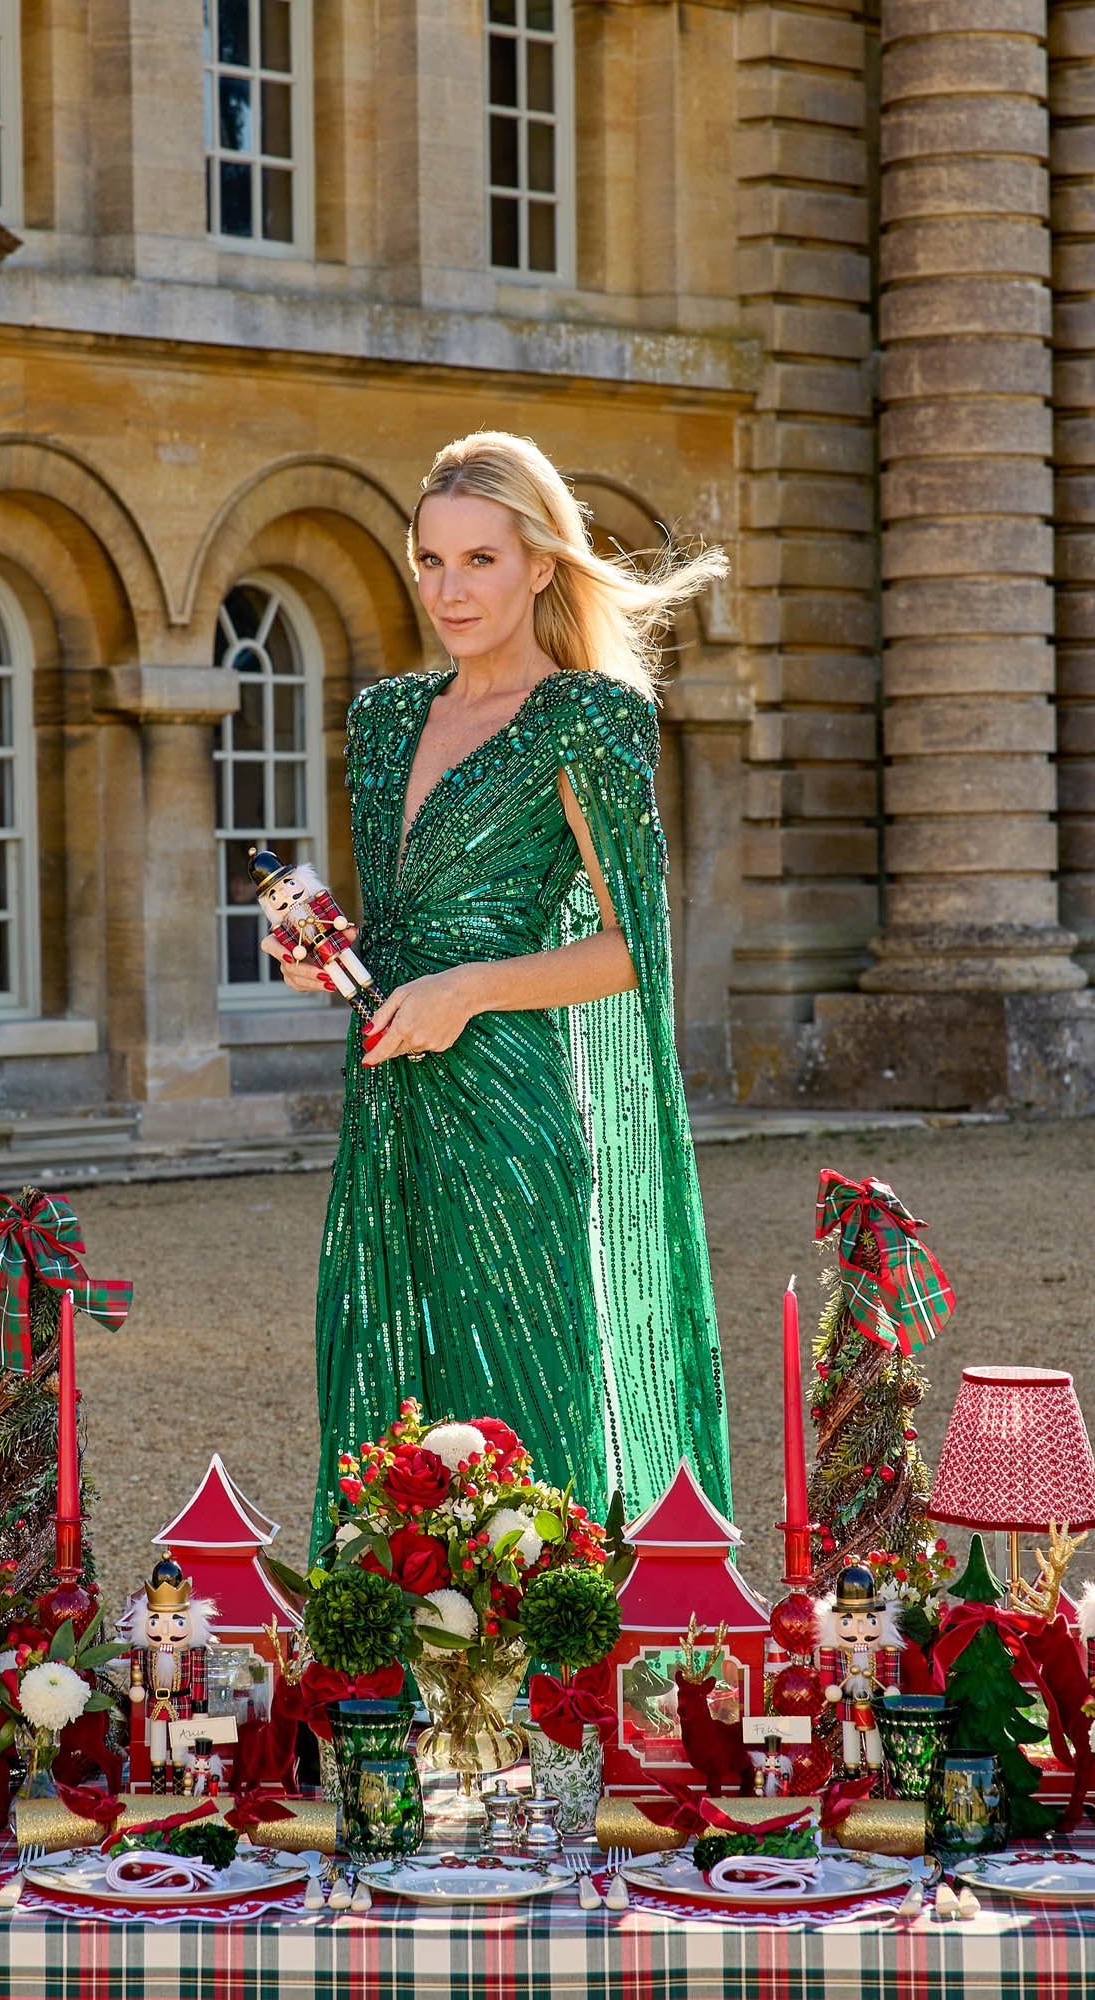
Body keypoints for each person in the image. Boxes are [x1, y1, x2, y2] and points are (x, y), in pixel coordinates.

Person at [270, 431, 734, 1553]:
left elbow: (633, 948)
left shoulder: (587, 717)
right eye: (430, 561)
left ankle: (541, 1686)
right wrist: (322, 957)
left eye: (478, 559)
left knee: (517, 1387)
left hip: (510, 1108)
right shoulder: (383, 721)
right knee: (386, 1372)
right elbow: (403, 921)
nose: (448, 589)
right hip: (388, 1100)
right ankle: (403, 1678)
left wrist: (468, 990)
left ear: (538, 564)